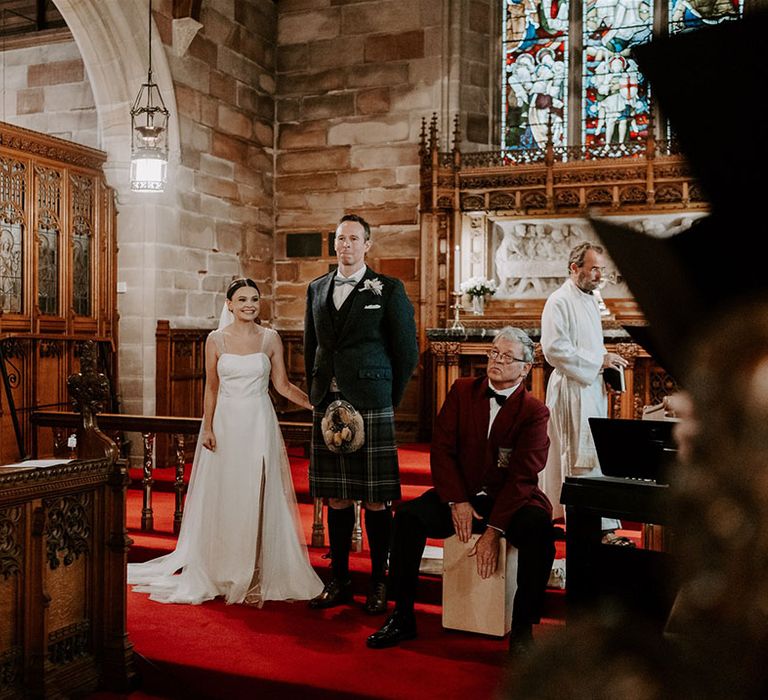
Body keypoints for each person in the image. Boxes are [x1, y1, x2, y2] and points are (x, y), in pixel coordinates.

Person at [128, 278, 323, 605]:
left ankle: (257, 571)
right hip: (225, 424)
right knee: (227, 494)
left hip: (258, 422)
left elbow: (284, 385)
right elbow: (212, 387)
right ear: (229, 304)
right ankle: (223, 568)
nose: (249, 304)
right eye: (243, 299)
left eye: (255, 299)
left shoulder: (270, 338)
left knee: (257, 494)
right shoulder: (215, 340)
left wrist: (318, 407)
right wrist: (208, 428)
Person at [367, 327, 556, 655]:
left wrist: (495, 530)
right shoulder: (461, 390)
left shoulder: (534, 411)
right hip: (462, 493)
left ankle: (523, 631)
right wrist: (457, 500)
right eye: (494, 353)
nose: (497, 360)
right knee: (409, 518)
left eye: (507, 356)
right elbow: (441, 449)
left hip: (509, 501)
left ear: (525, 367)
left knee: (539, 533)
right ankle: (402, 615)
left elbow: (524, 475)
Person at [304, 213, 418, 615]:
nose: (346, 245)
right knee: (335, 497)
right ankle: (339, 580)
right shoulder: (316, 288)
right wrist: (317, 393)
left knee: (374, 500)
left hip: (372, 401)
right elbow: (311, 345)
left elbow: (406, 351)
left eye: (354, 239)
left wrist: (386, 396)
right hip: (327, 403)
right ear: (334, 244)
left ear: (367, 245)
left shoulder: (388, 288)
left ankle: (380, 583)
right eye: (340, 239)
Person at [539, 242, 628, 543]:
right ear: (574, 268)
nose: (598, 274)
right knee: (576, 456)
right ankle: (580, 518)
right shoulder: (559, 301)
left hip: (590, 387)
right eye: (593, 268)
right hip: (571, 390)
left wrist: (606, 371)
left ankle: (597, 520)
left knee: (593, 454)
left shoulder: (590, 299)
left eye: (601, 269)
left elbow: (592, 345)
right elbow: (554, 349)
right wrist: (597, 362)